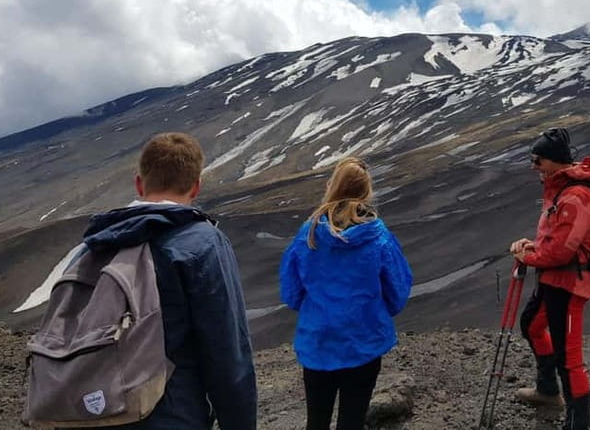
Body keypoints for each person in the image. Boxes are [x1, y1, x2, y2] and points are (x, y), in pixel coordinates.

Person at [82, 132, 257, 429]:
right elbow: (227, 353)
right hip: (167, 416)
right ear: (196, 187)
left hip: (87, 410)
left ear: (139, 184)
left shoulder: (93, 244)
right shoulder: (202, 243)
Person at [280, 157, 412, 430]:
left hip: (318, 342)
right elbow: (397, 291)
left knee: (316, 420)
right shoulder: (378, 236)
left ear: (332, 186)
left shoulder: (309, 234)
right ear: (366, 192)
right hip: (364, 342)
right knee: (352, 420)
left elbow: (291, 293)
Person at [509, 127, 590, 430]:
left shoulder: (576, 196)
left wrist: (530, 257)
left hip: (568, 284)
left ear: (553, 161)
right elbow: (557, 241)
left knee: (569, 357)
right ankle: (548, 391)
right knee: (531, 325)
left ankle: (578, 423)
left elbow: (562, 252)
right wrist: (533, 246)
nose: (533, 167)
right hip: (552, 280)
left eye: (537, 161)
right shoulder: (561, 189)